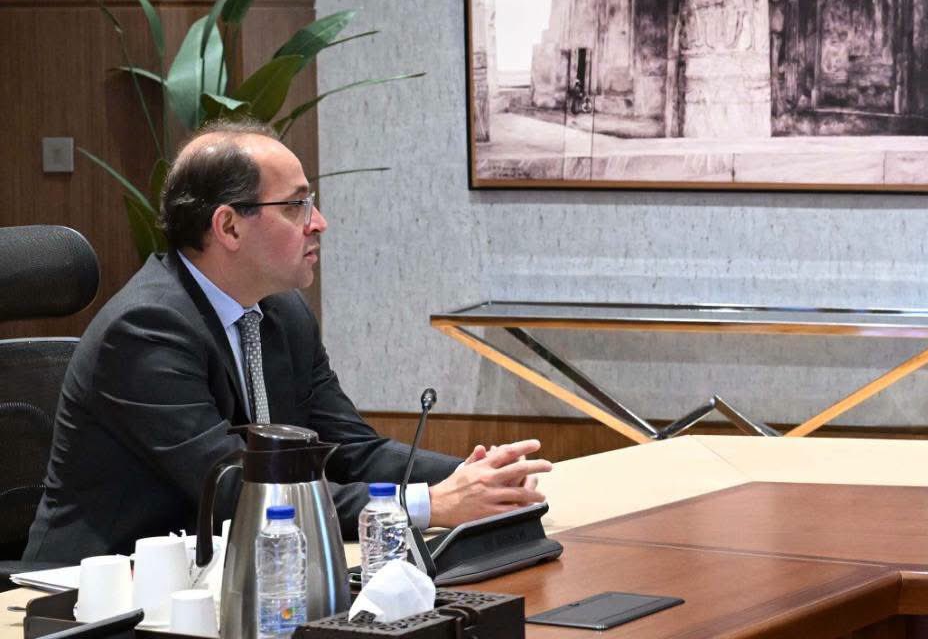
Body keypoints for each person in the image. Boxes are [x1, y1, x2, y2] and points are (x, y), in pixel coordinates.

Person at [24, 121, 554, 563]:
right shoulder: (145, 330)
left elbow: (351, 450)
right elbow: (237, 492)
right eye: (296, 205)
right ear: (229, 227)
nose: (318, 223)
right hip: (101, 591)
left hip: (234, 572)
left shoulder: (282, 312)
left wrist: (475, 478)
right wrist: (429, 504)